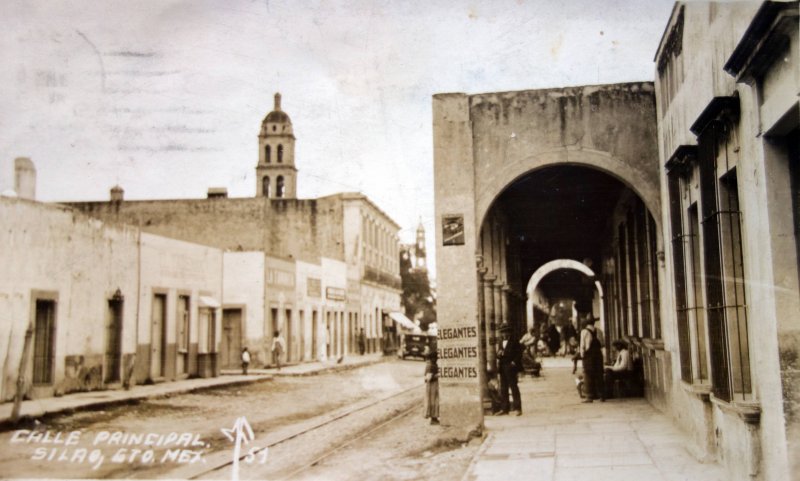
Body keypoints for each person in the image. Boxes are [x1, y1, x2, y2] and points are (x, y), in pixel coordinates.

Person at [496, 323, 522, 415]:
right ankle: (504, 409)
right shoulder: (500, 342)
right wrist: (498, 355)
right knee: (503, 388)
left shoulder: (514, 341)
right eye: (502, 332)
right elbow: (498, 354)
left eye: (506, 332)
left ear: (509, 332)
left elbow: (519, 354)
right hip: (503, 367)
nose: (504, 334)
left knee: (513, 387)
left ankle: (517, 408)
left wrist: (514, 362)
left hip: (511, 367)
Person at [579, 317, 605, 403]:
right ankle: (601, 395)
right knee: (599, 374)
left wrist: (582, 356)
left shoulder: (584, 332)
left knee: (588, 375)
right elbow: (602, 344)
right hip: (598, 354)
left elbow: (582, 346)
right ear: (594, 323)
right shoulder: (599, 331)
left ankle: (589, 396)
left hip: (589, 355)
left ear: (586, 323)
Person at [423, 343, 440, 425]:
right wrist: (437, 375)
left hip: (432, 386)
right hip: (432, 386)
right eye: (435, 358)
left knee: (434, 401)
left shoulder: (431, 365)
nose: (435, 359)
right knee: (433, 401)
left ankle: (434, 417)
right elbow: (428, 378)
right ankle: (433, 418)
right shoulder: (431, 366)